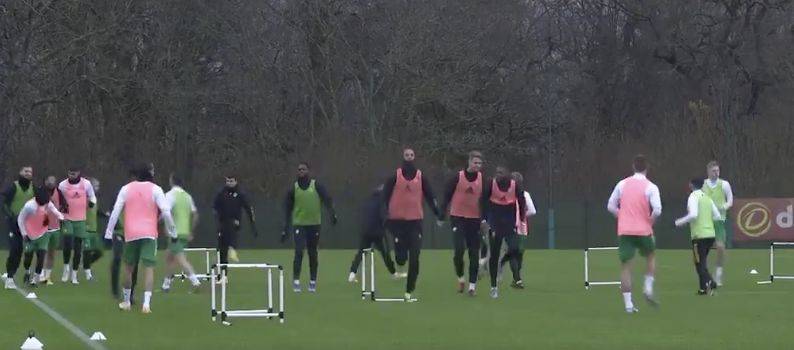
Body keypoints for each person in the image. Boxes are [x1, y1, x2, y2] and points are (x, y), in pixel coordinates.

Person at [105, 162, 176, 314]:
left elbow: (116, 210)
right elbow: (166, 211)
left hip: (131, 233)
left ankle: (126, 301)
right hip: (149, 232)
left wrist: (108, 232)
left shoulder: (126, 188)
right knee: (149, 268)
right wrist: (173, 231)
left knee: (129, 268)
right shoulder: (156, 189)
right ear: (150, 174)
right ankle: (146, 304)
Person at [382, 148, 443, 301]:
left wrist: (438, 214)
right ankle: (400, 260)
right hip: (397, 222)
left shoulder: (421, 177)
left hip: (415, 222)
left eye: (411, 155)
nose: (409, 157)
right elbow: (384, 196)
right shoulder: (395, 176)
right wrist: (383, 213)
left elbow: (430, 196)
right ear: (403, 157)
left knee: (415, 256)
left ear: (414, 157)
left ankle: (409, 290)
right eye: (406, 155)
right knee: (401, 257)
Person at [607, 155, 662, 313]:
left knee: (626, 267)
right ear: (647, 168)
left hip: (625, 230)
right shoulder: (651, 186)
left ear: (633, 167)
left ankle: (628, 305)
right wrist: (650, 221)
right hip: (643, 229)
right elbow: (657, 209)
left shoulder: (622, 184)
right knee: (651, 256)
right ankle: (647, 287)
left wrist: (621, 216)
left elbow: (610, 205)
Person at [282, 162, 337, 293]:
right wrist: (285, 227)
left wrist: (332, 214)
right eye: (299, 169)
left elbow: (327, 199)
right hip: (299, 224)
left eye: (303, 169)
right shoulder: (293, 189)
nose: (301, 171)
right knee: (299, 251)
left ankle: (312, 281)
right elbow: (287, 209)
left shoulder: (316, 185)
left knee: (313, 253)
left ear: (308, 171)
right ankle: (296, 280)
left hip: (314, 224)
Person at [441, 151, 486, 295]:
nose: (477, 166)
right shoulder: (457, 177)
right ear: (469, 162)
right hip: (458, 217)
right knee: (459, 251)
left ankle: (472, 286)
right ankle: (461, 278)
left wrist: (485, 219)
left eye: (480, 163)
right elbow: (447, 196)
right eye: (475, 163)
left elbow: (486, 200)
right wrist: (441, 214)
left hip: (474, 220)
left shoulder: (482, 179)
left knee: (474, 253)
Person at [483, 166, 527, 298]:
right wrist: (484, 219)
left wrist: (522, 218)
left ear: (507, 176)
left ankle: (502, 263)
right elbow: (483, 201)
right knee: (494, 254)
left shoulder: (514, 186)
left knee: (515, 249)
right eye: (497, 173)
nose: (498, 176)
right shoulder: (491, 184)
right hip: (495, 224)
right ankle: (493, 287)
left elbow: (521, 200)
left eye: (501, 173)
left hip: (510, 224)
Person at [675, 178, 722, 295]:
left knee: (699, 263)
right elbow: (717, 216)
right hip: (710, 235)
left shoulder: (693, 197)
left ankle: (711, 282)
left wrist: (678, 222)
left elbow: (693, 215)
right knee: (702, 261)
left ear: (691, 185)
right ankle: (703, 289)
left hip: (699, 236)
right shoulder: (707, 198)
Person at [347, 184, 397, 282]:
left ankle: (352, 274)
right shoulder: (382, 201)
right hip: (377, 231)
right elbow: (384, 216)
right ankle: (393, 273)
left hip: (366, 231)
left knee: (361, 253)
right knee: (385, 253)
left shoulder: (368, 201)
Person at [161, 174, 201, 292]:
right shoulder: (187, 196)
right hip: (184, 232)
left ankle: (195, 282)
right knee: (169, 257)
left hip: (175, 233)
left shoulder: (169, 195)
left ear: (172, 182)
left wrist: (165, 227)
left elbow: (165, 212)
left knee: (180, 259)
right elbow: (196, 215)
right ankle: (166, 285)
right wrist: (190, 231)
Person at [18, 187, 64, 287]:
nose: (44, 205)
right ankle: (27, 272)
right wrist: (24, 233)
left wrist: (62, 217)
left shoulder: (48, 203)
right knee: (28, 257)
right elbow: (20, 219)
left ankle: (34, 279)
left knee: (41, 255)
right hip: (29, 233)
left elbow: (55, 211)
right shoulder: (29, 206)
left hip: (43, 233)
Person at [59, 166, 97, 284]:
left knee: (78, 247)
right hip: (67, 218)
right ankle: (66, 268)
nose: (71, 176)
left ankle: (74, 274)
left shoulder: (86, 184)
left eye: (74, 174)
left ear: (79, 173)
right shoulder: (62, 185)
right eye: (70, 173)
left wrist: (92, 203)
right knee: (68, 239)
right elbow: (58, 199)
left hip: (80, 219)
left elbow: (92, 196)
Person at [498, 171, 537, 287]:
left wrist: (521, 215)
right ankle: (517, 279)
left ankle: (503, 263)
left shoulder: (523, 195)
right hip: (513, 228)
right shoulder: (511, 194)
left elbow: (532, 211)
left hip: (519, 227)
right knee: (515, 252)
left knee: (517, 253)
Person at [213, 175, 257, 274]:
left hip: (234, 222)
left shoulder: (240, 194)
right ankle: (224, 274)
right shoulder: (221, 193)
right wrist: (217, 218)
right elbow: (215, 207)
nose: (229, 183)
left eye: (231, 181)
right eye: (228, 181)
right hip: (222, 224)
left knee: (231, 229)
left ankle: (232, 248)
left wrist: (253, 225)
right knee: (221, 251)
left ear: (236, 182)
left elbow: (249, 208)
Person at [2, 166, 35, 290]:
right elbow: (4, 202)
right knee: (15, 249)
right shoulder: (13, 187)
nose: (28, 173)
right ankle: (10, 277)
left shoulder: (33, 188)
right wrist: (11, 215)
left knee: (23, 250)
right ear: (20, 173)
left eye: (30, 172)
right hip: (14, 224)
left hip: (28, 225)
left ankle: (19, 273)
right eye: (25, 171)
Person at [701, 161, 733, 286]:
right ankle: (705, 275)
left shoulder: (724, 184)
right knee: (703, 250)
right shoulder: (703, 185)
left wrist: (723, 207)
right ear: (708, 171)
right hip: (705, 221)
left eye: (717, 171)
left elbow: (730, 200)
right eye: (713, 171)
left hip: (719, 220)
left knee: (720, 247)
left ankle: (718, 274)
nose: (716, 173)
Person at [108, 171, 139, 302]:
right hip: (119, 233)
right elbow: (113, 211)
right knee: (117, 258)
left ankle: (131, 292)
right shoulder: (121, 194)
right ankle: (115, 290)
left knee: (134, 263)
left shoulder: (140, 197)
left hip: (134, 233)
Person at [40, 176, 66, 285]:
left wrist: (62, 210)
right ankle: (41, 274)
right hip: (42, 227)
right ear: (45, 181)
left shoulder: (58, 192)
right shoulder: (39, 191)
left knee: (52, 253)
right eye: (49, 180)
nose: (51, 183)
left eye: (53, 181)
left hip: (55, 227)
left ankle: (48, 276)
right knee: (42, 251)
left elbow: (65, 205)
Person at [80, 177, 105, 281]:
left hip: (93, 230)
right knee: (87, 250)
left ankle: (84, 264)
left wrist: (105, 214)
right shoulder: (83, 198)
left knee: (100, 252)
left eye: (98, 186)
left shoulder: (94, 198)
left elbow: (96, 211)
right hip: (85, 229)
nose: (97, 188)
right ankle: (88, 275)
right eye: (96, 186)